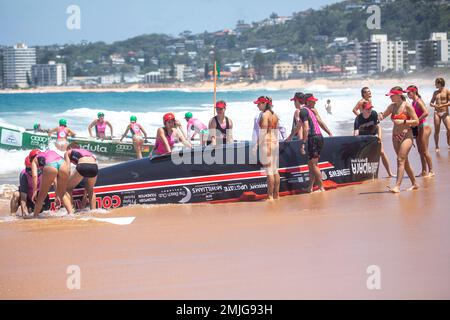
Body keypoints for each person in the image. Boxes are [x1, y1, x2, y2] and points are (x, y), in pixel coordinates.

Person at [379, 87, 420, 193]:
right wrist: (378, 115)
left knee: (400, 159)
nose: (390, 97)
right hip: (395, 136)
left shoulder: (407, 106)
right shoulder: (392, 107)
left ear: (398, 95)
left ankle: (397, 186)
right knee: (404, 161)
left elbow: (416, 121)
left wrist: (403, 122)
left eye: (392, 95)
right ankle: (415, 183)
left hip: (407, 135)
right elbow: (382, 116)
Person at [287, 94, 329, 193]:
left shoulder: (303, 111)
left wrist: (303, 143)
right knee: (311, 164)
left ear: (297, 101)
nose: (294, 103)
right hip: (318, 137)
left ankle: (321, 188)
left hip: (313, 138)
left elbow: (306, 127)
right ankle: (310, 187)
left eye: (294, 101)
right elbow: (298, 126)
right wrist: (290, 136)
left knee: (314, 165)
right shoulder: (309, 110)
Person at [353, 101, 395, 178]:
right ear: (362, 110)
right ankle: (365, 175)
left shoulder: (374, 114)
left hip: (373, 136)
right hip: (363, 138)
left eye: (370, 108)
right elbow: (356, 133)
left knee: (381, 152)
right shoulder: (358, 119)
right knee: (365, 156)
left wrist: (379, 138)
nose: (370, 110)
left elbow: (378, 127)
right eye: (367, 109)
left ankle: (389, 173)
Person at [30, 149, 73, 217]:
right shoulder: (49, 153)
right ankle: (71, 214)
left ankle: (35, 216)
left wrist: (35, 191)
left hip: (50, 165)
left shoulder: (35, 160)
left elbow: (35, 176)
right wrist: (56, 195)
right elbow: (55, 179)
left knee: (41, 195)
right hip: (63, 163)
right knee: (62, 193)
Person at [405, 85, 434, 177]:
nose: (408, 94)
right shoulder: (413, 102)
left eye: (409, 92)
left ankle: (432, 171)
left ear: (414, 92)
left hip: (424, 126)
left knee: (424, 150)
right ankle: (424, 171)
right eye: (407, 93)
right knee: (420, 150)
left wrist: (417, 120)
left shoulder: (418, 101)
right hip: (418, 127)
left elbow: (426, 113)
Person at [256, 96, 280, 201]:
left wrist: (256, 145)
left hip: (267, 143)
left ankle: (270, 196)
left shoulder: (265, 115)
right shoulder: (275, 115)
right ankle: (276, 195)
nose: (257, 105)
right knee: (275, 170)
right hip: (275, 142)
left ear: (264, 104)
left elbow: (263, 132)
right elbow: (276, 131)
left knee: (269, 171)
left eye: (259, 103)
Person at [10, 150, 47, 216]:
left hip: (39, 196)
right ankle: (12, 216)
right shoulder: (23, 174)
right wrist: (24, 211)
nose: (31, 171)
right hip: (28, 197)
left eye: (32, 169)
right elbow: (23, 196)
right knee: (16, 194)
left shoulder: (44, 171)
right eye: (29, 169)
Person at [65, 142, 98, 210]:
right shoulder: (87, 152)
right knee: (90, 190)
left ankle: (71, 210)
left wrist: (64, 181)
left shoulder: (69, 152)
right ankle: (94, 211)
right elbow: (89, 167)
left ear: (70, 148)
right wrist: (84, 197)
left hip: (82, 165)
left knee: (68, 188)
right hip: (95, 167)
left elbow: (67, 169)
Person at [430, 77, 450, 152]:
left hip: (445, 112)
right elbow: (431, 102)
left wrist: (442, 105)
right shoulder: (435, 92)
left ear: (439, 83)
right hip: (437, 113)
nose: (435, 84)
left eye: (436, 83)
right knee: (437, 130)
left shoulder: (447, 91)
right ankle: (437, 146)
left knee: (449, 129)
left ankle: (448, 139)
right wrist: (434, 105)